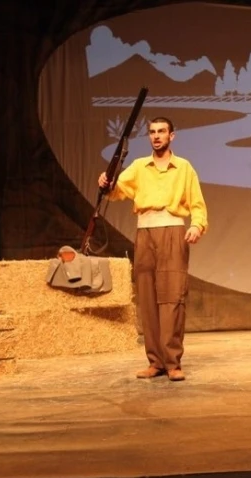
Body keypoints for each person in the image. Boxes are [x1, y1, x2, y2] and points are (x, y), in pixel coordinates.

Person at [98, 116, 208, 382]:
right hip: (145, 232)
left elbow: (197, 204)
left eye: (161, 131)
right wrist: (106, 182)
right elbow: (117, 191)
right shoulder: (139, 166)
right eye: (152, 132)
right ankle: (155, 362)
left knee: (171, 296)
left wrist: (197, 225)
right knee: (147, 297)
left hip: (172, 230)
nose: (156, 136)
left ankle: (172, 362)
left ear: (172, 136)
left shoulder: (183, 167)